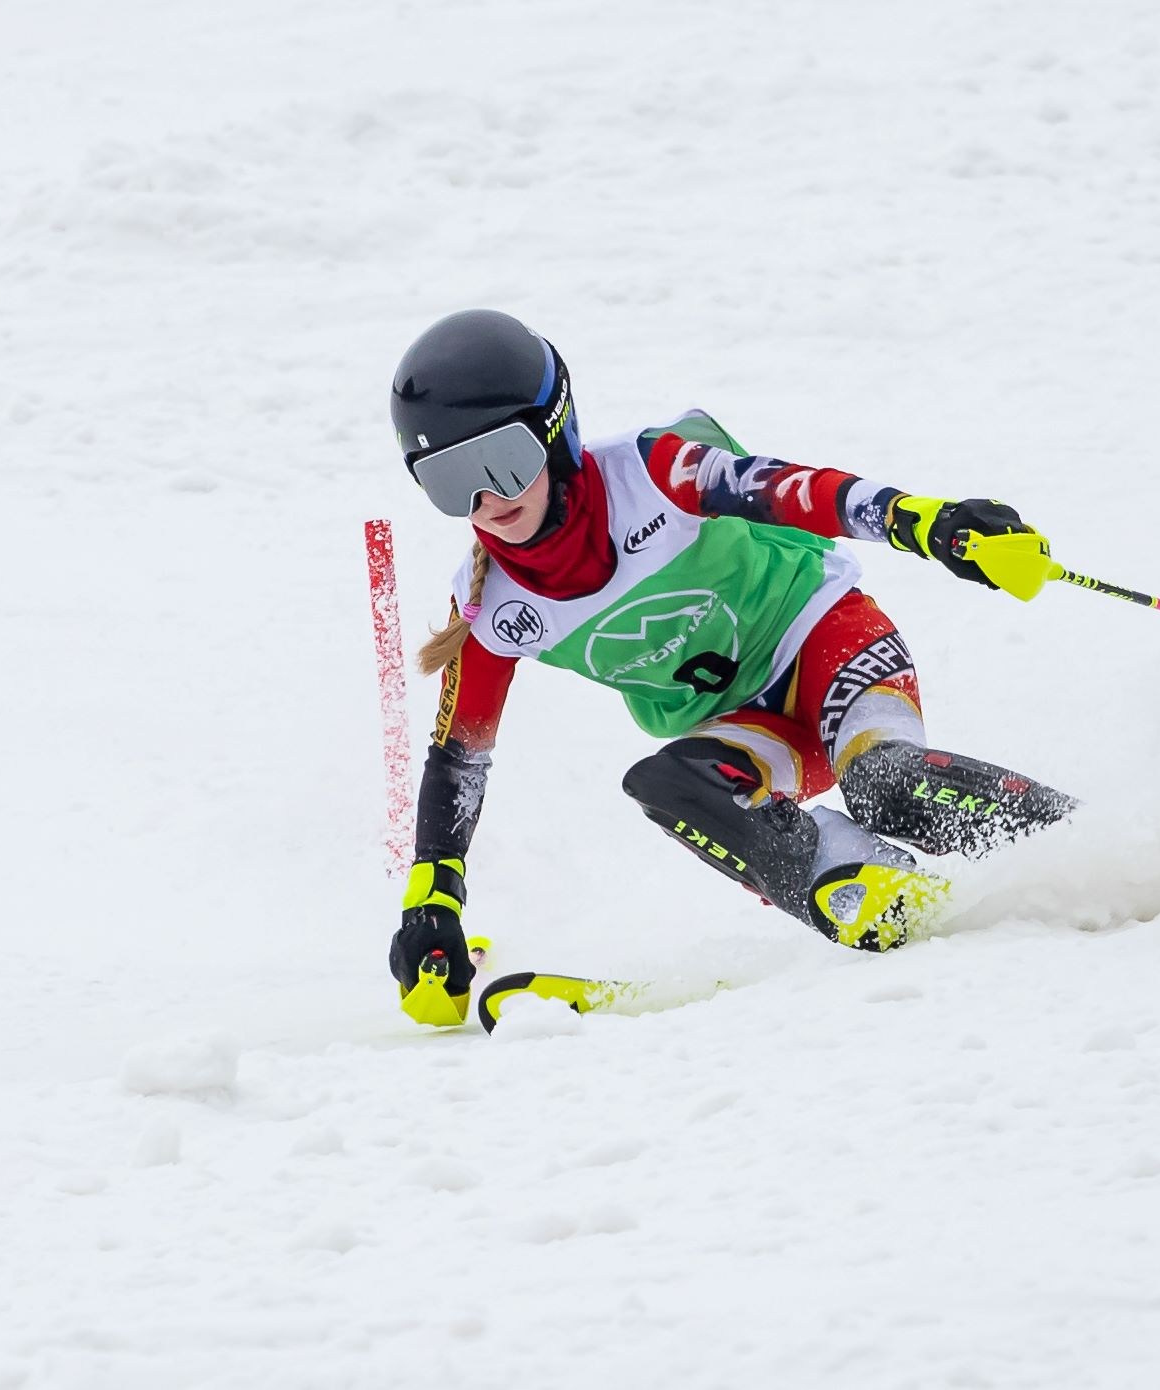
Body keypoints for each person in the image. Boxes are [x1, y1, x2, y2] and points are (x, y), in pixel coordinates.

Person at [385, 309, 1075, 1018]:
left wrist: (925, 522)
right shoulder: (492, 609)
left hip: (828, 645)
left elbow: (796, 491)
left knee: (883, 784)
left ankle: (1088, 845)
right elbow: (457, 762)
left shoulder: (651, 473)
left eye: (502, 462)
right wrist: (431, 900)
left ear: (557, 435)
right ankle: (866, 885)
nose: (486, 501)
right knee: (668, 782)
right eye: (448, 481)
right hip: (751, 724)